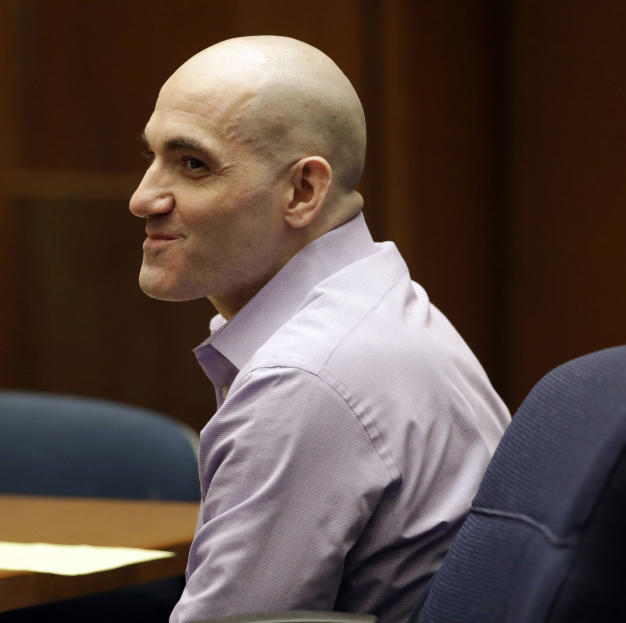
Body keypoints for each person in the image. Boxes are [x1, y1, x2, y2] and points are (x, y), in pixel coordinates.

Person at [128, 35, 510, 623]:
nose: (143, 197)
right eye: (151, 157)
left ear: (303, 191)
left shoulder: (304, 377)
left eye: (193, 165)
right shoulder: (375, 304)